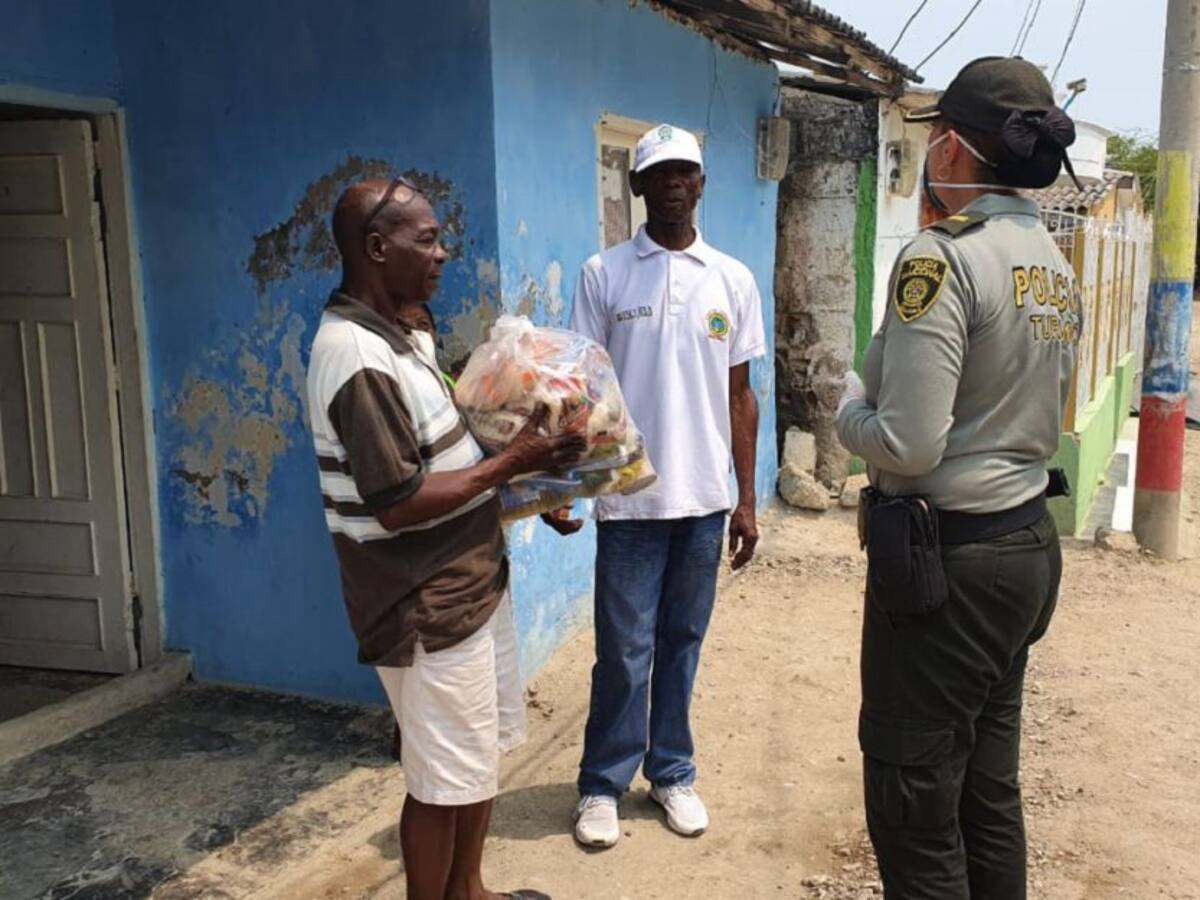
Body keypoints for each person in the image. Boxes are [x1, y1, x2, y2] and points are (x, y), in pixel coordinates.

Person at [836, 58, 1084, 899]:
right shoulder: (1051, 259)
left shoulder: (940, 259)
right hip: (1024, 545)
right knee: (986, 787)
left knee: (914, 804)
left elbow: (908, 444)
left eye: (933, 138)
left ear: (951, 148)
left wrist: (846, 407)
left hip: (949, 568)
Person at [306, 176, 585, 900]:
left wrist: (530, 491)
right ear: (377, 248)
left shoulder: (404, 331)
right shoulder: (354, 358)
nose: (442, 252)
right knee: (437, 782)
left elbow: (451, 452)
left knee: (475, 760)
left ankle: (470, 890)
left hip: (471, 586)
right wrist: (514, 464)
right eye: (426, 240)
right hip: (423, 605)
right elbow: (398, 502)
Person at [569, 124, 766, 847]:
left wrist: (747, 500)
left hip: (704, 501)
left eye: (686, 173)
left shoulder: (731, 278)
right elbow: (583, 392)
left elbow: (740, 396)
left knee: (682, 641)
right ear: (638, 186)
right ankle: (602, 785)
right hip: (630, 500)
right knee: (623, 650)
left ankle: (672, 773)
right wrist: (569, 486)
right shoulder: (605, 274)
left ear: (702, 184)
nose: (674, 185)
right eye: (659, 175)